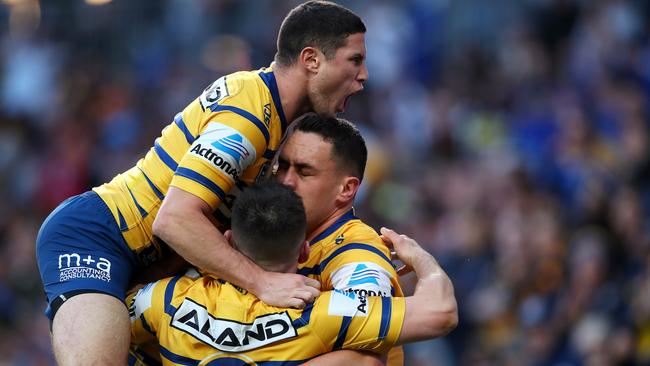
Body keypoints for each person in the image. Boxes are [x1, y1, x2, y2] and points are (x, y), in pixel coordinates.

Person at [35, 1, 368, 364]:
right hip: (97, 240)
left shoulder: (275, 120)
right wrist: (261, 281)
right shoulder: (249, 114)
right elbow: (174, 219)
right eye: (354, 60)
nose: (363, 75)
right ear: (312, 59)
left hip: (147, 267)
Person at [127, 182, 458, 365]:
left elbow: (99, 321)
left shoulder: (166, 299)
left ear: (227, 241)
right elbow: (440, 313)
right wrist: (421, 258)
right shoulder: (324, 313)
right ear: (304, 251)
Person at [274, 114, 407, 365]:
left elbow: (366, 362)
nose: (286, 181)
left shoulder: (357, 252)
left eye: (304, 172)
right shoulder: (270, 233)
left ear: (346, 189)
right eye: (282, 166)